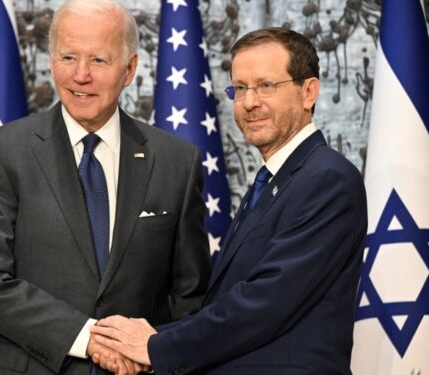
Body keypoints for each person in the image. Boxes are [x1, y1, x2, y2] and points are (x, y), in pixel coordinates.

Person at [91, 27, 368, 374]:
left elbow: (265, 303)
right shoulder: (271, 181)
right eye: (239, 88)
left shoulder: (327, 179)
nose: (249, 102)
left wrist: (153, 346)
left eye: (266, 86)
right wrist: (154, 343)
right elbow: (226, 304)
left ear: (308, 91)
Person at [0, 0, 211, 374]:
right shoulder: (3, 152)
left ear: (129, 70)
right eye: (68, 57)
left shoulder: (176, 162)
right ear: (51, 60)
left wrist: (160, 355)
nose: (80, 75)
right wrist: (88, 337)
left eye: (98, 60)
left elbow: (192, 298)